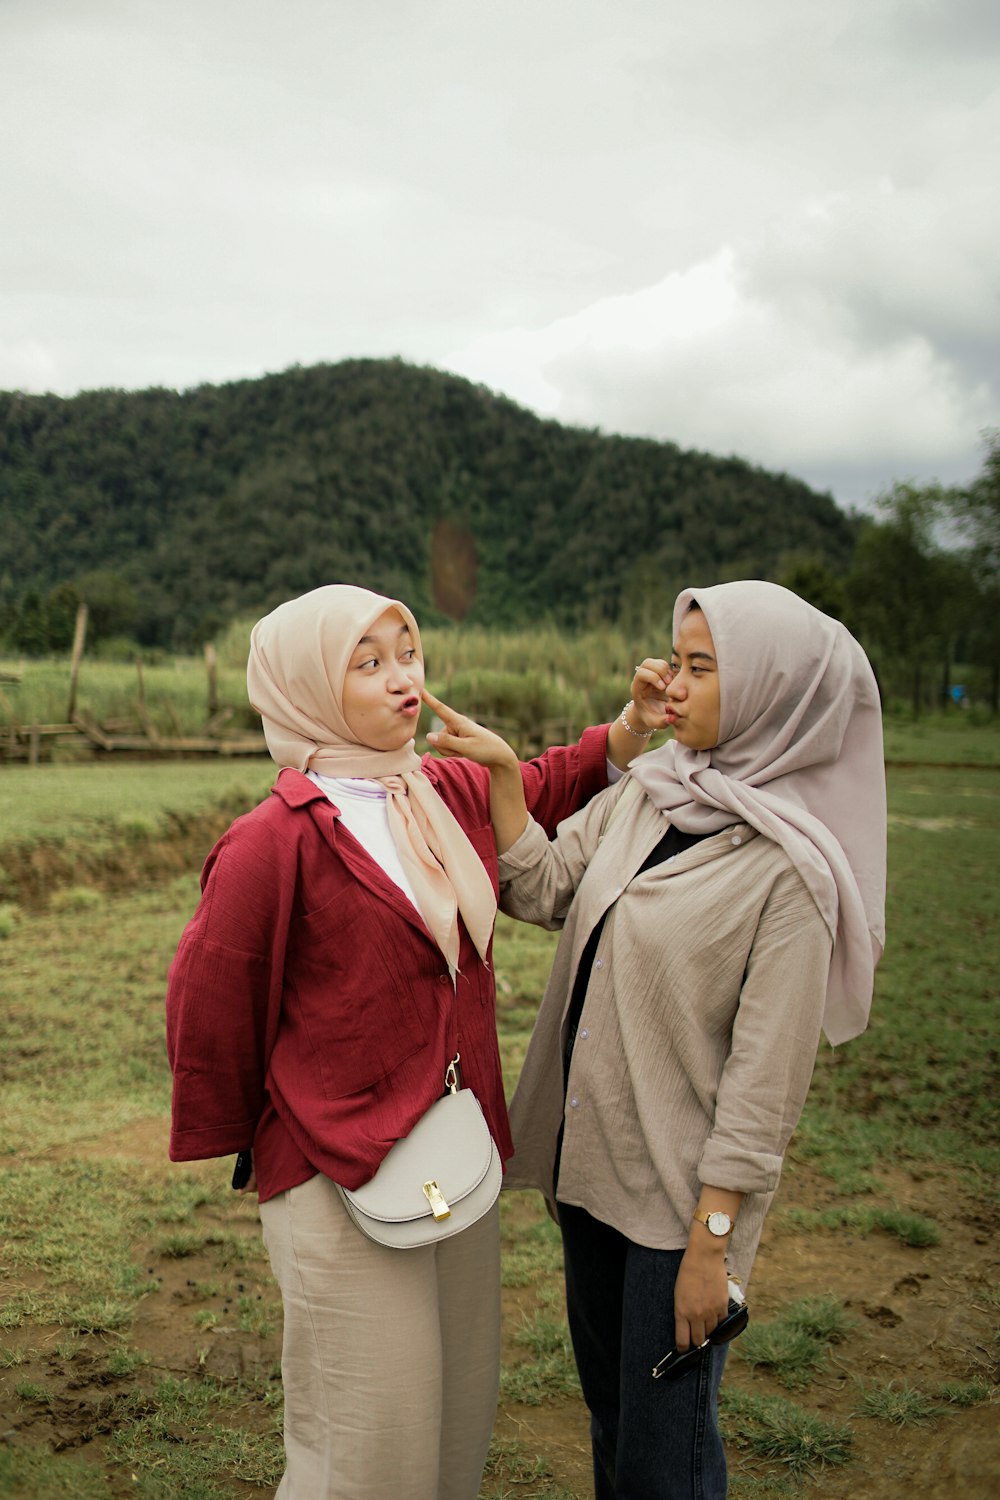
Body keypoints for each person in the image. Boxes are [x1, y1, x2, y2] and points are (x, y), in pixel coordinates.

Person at [164, 582, 667, 1500]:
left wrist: (630, 728)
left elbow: (543, 784)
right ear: (307, 686)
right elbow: (211, 1006)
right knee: (368, 1452)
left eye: (409, 653)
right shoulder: (270, 843)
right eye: (369, 662)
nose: (405, 680)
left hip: (453, 1151)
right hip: (335, 1167)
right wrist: (277, 1146)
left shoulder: (441, 789)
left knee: (455, 1424)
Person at [426, 579, 887, 1500]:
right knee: (612, 1420)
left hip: (680, 1215)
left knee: (663, 1457)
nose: (671, 684)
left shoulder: (792, 878)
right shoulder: (653, 795)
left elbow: (764, 1089)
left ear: (771, 693)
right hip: (589, 1174)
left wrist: (713, 1247)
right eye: (674, 660)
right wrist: (510, 777)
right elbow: (546, 885)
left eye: (700, 668)